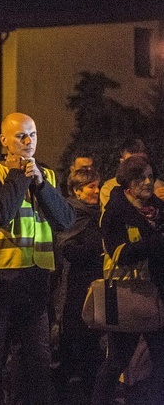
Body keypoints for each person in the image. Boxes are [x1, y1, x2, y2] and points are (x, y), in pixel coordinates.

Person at [0, 113, 74, 405]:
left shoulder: (48, 176)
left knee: (35, 366)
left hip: (34, 284)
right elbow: (1, 213)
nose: (29, 141)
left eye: (33, 134)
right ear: (4, 140)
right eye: (21, 136)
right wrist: (19, 175)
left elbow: (66, 220)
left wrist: (40, 184)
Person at [91, 156, 164, 404]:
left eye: (150, 177)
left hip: (156, 293)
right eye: (140, 178)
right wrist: (156, 242)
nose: (147, 182)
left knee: (160, 357)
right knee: (117, 361)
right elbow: (119, 254)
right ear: (128, 184)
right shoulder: (114, 212)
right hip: (127, 295)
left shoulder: (159, 208)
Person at [57, 167, 104, 396]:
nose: (96, 191)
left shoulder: (99, 213)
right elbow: (67, 248)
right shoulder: (74, 214)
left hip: (95, 283)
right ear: (77, 191)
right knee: (78, 340)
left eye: (98, 185)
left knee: (90, 341)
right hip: (77, 285)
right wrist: (97, 250)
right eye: (90, 187)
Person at [99, 138, 147, 212]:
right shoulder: (109, 189)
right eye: (131, 161)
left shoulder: (156, 185)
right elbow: (110, 220)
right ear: (122, 161)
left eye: (141, 160)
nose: (137, 165)